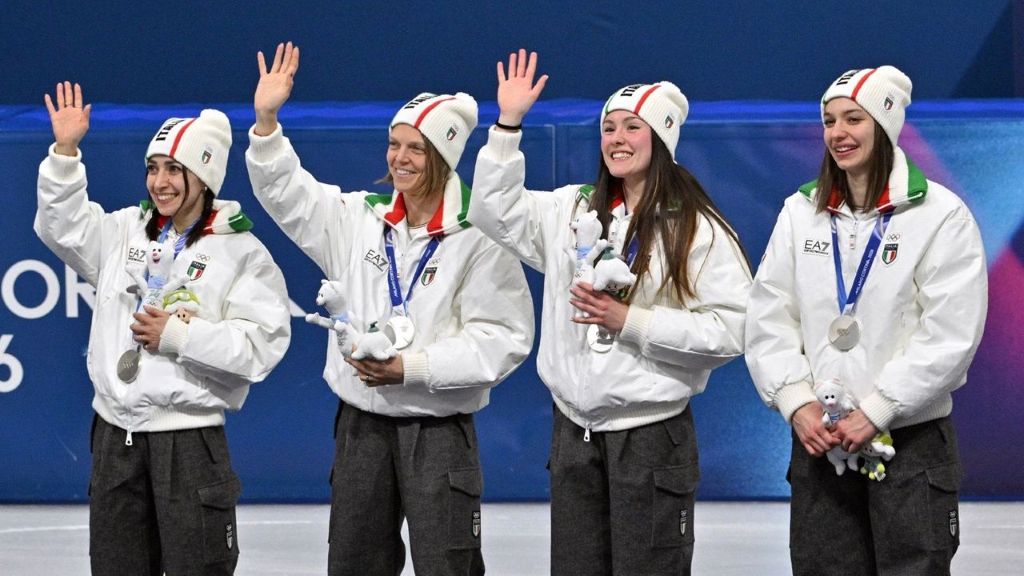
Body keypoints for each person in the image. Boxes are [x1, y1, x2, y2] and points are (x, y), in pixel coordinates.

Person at [244, 43, 534, 576]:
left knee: (447, 567)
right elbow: (287, 193)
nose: (399, 157)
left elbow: (503, 337)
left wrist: (411, 368)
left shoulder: (479, 235)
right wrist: (266, 123)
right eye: (394, 144)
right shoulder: (359, 218)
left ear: (443, 157)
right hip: (361, 426)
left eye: (416, 148)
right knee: (352, 564)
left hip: (438, 430)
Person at [469, 49, 752, 575]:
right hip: (573, 434)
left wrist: (632, 323)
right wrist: (507, 126)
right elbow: (492, 211)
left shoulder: (697, 226)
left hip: (650, 435)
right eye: (608, 128)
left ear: (661, 137)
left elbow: (733, 328)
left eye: (632, 127)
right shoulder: (572, 209)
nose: (616, 138)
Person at [34, 82, 292, 576]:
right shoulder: (124, 230)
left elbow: (260, 346)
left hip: (188, 440)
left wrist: (179, 337)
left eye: (175, 169)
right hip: (115, 437)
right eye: (153, 168)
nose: (160, 182)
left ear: (204, 175)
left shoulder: (241, 253)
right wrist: (65, 154)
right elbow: (60, 226)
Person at [744, 66, 988, 575]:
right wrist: (796, 402)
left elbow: (950, 335)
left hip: (910, 442)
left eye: (854, 118)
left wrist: (878, 409)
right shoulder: (799, 212)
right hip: (821, 441)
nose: (838, 132)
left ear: (885, 124)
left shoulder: (940, 215)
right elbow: (769, 317)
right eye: (829, 120)